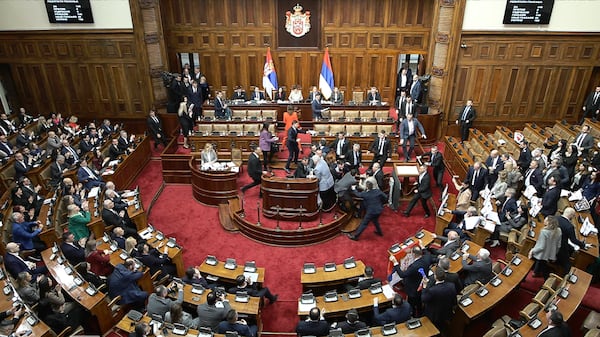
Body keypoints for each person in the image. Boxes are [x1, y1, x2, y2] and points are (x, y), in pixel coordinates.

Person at [389, 246, 433, 316]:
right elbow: (427, 252)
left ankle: (412, 315)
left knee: (411, 304)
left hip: (413, 289)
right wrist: (422, 246)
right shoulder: (427, 258)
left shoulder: (414, 266)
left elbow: (402, 274)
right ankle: (420, 313)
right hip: (422, 285)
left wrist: (395, 263)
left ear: (413, 254)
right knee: (419, 302)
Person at [421, 268, 457, 332]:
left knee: (434, 328)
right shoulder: (451, 285)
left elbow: (423, 299)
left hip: (434, 315)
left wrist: (424, 286)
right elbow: (454, 299)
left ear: (435, 277)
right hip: (446, 311)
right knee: (442, 326)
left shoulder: (432, 290)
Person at [556, 208, 589, 275]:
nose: (573, 217)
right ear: (571, 215)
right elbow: (573, 240)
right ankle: (565, 278)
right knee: (568, 265)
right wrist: (583, 245)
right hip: (560, 247)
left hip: (551, 243)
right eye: (573, 215)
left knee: (571, 249)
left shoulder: (555, 218)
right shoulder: (569, 226)